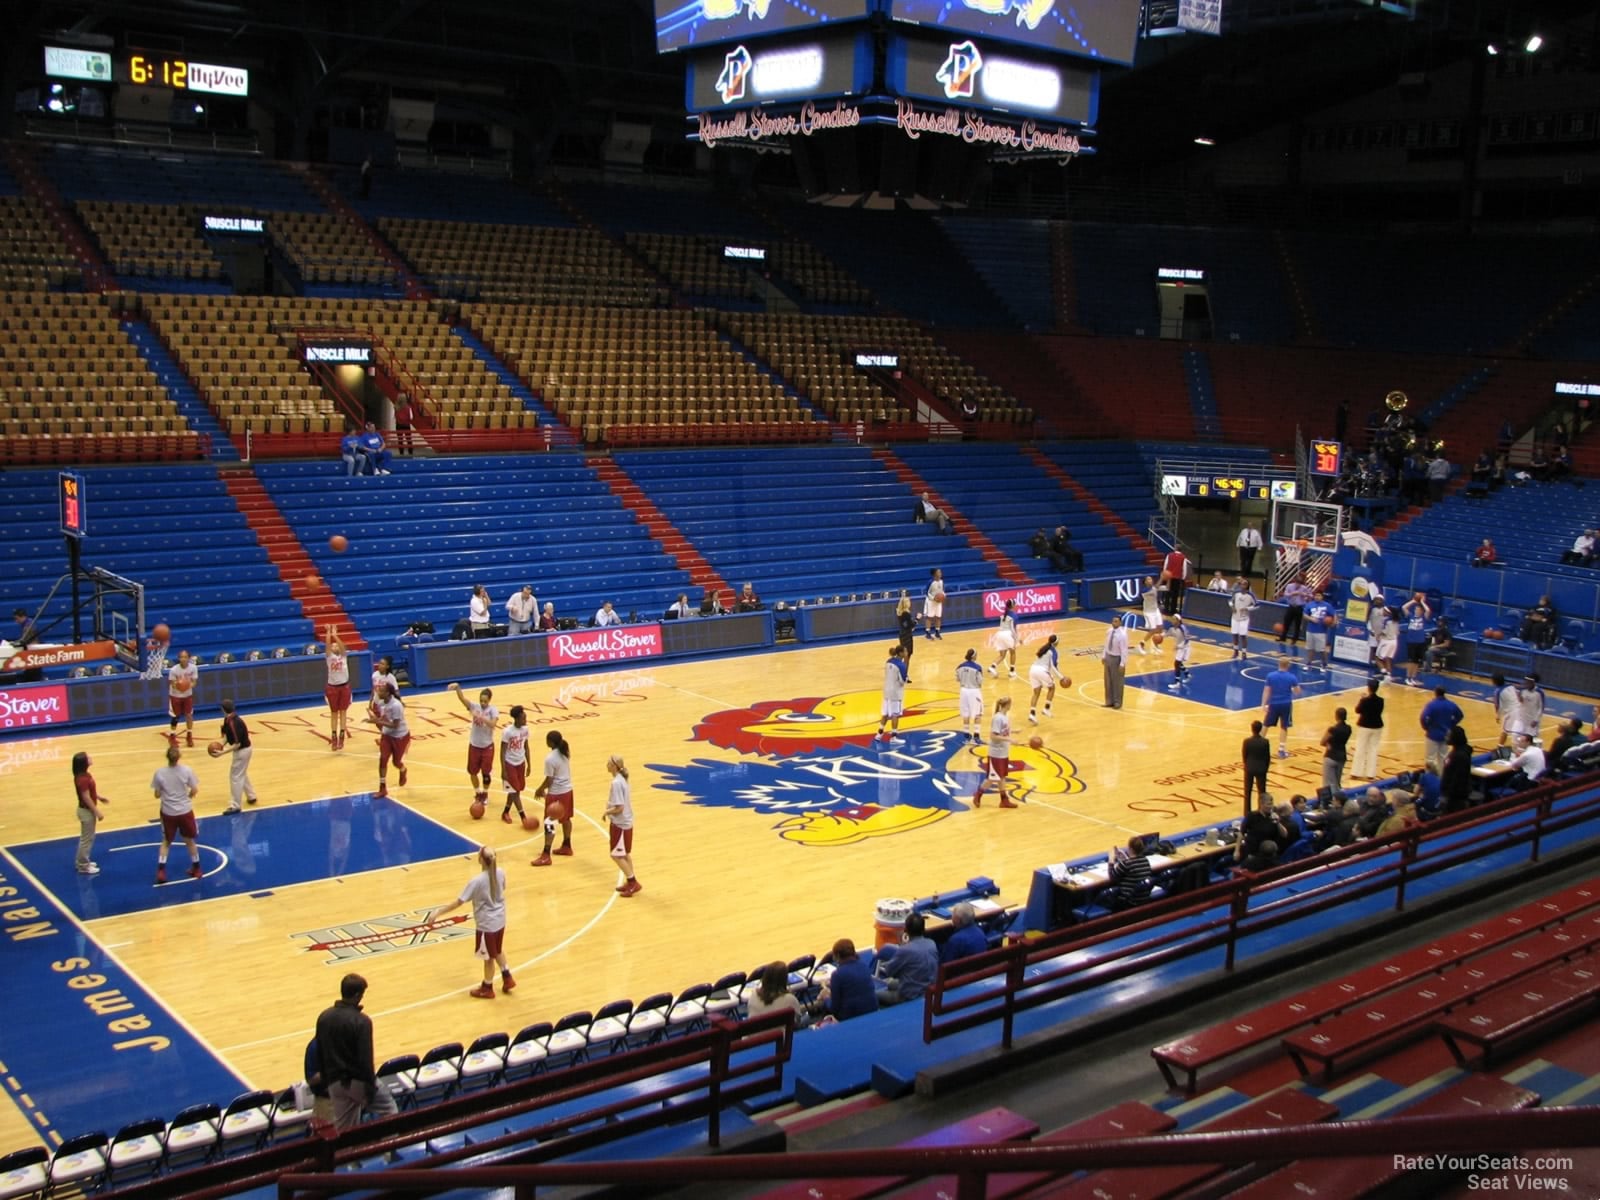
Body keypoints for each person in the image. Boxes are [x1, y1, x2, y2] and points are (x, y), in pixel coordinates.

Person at [314, 973, 399, 1132]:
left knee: (345, 1129)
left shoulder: (324, 1017)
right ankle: (391, 1146)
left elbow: (319, 1051)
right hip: (356, 1082)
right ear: (357, 995)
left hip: (334, 1082)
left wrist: (326, 1080)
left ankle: (350, 1149)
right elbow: (365, 1059)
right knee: (390, 1109)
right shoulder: (362, 1021)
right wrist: (370, 1088)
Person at [433, 847, 516, 999]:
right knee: (497, 949)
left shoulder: (476, 881)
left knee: (488, 958)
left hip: (487, 924)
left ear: (481, 860)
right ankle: (507, 976)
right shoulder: (500, 872)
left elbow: (459, 902)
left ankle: (487, 987)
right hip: (500, 920)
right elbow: (502, 888)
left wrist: (438, 912)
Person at [151, 742, 202, 884]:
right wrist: (188, 797)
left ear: (167, 757)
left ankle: (161, 871)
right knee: (189, 841)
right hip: (185, 810)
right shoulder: (187, 770)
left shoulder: (159, 773)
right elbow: (194, 790)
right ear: (179, 757)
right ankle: (197, 868)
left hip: (168, 812)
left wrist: (164, 792)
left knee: (166, 842)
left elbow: (156, 794)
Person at [450, 684, 498, 810]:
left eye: (485, 701)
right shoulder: (474, 706)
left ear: (489, 700)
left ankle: (485, 794)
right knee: (472, 772)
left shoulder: (493, 710)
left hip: (487, 746)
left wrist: (481, 717)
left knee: (486, 773)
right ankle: (478, 793)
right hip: (474, 745)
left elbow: (493, 724)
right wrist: (457, 688)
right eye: (481, 700)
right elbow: (462, 699)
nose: (482, 703)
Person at [531, 730, 574, 866]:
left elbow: (549, 780)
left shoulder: (550, 759)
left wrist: (540, 789)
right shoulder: (564, 751)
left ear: (550, 742)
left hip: (557, 793)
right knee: (566, 819)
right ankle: (567, 846)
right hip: (568, 791)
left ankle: (546, 855)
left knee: (549, 823)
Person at [876, 912, 938, 1005]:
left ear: (906, 930)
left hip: (909, 995)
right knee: (891, 984)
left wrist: (901, 946)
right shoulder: (932, 943)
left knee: (875, 994)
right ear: (924, 929)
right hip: (928, 988)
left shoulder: (905, 950)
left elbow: (889, 972)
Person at [813, 939, 877, 1022]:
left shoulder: (837, 974)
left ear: (837, 956)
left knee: (823, 1000)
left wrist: (826, 998)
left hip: (850, 1018)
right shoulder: (864, 966)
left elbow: (834, 1008)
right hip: (872, 1011)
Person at [605, 754, 640, 896]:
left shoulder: (616, 783)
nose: (607, 764)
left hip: (620, 824)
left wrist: (606, 812)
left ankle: (632, 882)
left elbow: (619, 807)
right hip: (626, 822)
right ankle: (630, 880)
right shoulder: (622, 779)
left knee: (616, 855)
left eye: (609, 763)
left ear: (614, 766)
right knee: (624, 854)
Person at [973, 697, 1016, 808]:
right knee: (992, 778)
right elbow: (993, 736)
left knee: (1002, 777)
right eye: (1010, 704)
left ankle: (1004, 800)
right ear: (1007, 705)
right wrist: (1009, 739)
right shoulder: (997, 718)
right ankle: (978, 794)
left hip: (1003, 752)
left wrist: (1014, 731)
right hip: (996, 753)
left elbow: (1003, 731)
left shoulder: (1005, 717)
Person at [370, 682, 409, 799]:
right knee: (383, 759)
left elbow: (395, 725)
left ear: (387, 693)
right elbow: (384, 718)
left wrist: (377, 721)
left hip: (400, 736)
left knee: (396, 762)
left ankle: (403, 769)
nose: (378, 692)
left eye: (381, 690)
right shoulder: (382, 703)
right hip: (387, 735)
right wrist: (375, 719)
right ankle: (382, 788)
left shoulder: (396, 705)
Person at [218, 698, 258, 813]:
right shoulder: (228, 719)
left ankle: (235, 805)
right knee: (241, 773)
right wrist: (220, 745)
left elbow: (237, 744)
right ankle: (251, 795)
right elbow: (226, 736)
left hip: (242, 750)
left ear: (223, 710)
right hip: (244, 749)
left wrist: (223, 752)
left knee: (235, 777)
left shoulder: (233, 723)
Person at [73, 751, 108, 875]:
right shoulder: (82, 779)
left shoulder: (85, 775)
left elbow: (89, 792)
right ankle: (83, 865)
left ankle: (83, 861)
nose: (90, 757)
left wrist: (99, 797)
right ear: (83, 762)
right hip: (86, 812)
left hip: (87, 811)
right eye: (88, 757)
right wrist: (97, 812)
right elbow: (86, 797)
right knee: (86, 840)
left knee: (88, 838)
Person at [1261, 657, 1302, 758]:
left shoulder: (1270, 676)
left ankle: (1258, 746)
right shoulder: (1292, 677)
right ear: (1288, 665)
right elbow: (1298, 692)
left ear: (1278, 664)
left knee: (1266, 724)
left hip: (1273, 704)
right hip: (1286, 704)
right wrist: (1291, 690)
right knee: (1284, 726)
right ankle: (1281, 750)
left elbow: (1266, 691)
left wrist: (1263, 704)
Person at [1418, 686, 1464, 775]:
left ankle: (1430, 778)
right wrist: (1451, 724)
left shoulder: (1431, 705)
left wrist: (1426, 727)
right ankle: (1443, 777)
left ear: (1435, 693)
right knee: (1444, 758)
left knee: (1430, 758)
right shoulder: (1451, 704)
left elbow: (1423, 718)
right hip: (1446, 735)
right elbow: (1460, 715)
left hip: (1432, 734)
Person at [500, 705, 530, 825]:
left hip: (521, 763)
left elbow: (526, 747)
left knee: (516, 790)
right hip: (510, 763)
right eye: (523, 718)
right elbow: (502, 751)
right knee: (515, 791)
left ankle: (505, 812)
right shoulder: (508, 732)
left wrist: (529, 764)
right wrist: (503, 769)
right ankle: (523, 817)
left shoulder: (525, 729)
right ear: (517, 719)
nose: (525, 720)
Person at [1104, 837, 1153, 910]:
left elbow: (1112, 877)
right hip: (1144, 899)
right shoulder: (1145, 860)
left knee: (1106, 898)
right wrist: (1125, 859)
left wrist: (1111, 861)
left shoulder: (1126, 864)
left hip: (1129, 902)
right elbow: (1134, 866)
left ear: (1131, 849)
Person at [324, 625, 352, 751]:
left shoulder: (344, 656)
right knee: (334, 713)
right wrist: (328, 633)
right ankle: (334, 737)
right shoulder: (329, 657)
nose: (335, 647)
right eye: (333, 646)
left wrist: (335, 636)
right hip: (332, 687)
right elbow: (327, 645)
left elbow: (342, 646)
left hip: (344, 686)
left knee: (343, 712)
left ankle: (342, 736)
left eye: (336, 646)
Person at [876, 644, 910, 745]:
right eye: (905, 651)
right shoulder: (901, 665)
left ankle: (879, 734)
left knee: (885, 713)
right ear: (901, 653)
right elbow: (902, 680)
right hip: (895, 693)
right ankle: (893, 737)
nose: (906, 653)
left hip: (886, 691)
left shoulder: (888, 661)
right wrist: (907, 679)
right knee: (895, 714)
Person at [1353, 679, 1385, 780]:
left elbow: (1357, 710)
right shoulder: (1381, 700)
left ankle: (1356, 772)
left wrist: (1361, 699)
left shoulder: (1364, 700)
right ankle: (1371, 774)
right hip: (1377, 726)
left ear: (1368, 688)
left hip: (1365, 726)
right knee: (1373, 749)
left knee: (1360, 748)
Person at [166, 648, 199, 747]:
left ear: (189, 658)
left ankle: (189, 735)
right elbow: (172, 684)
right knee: (176, 716)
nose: (183, 659)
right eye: (181, 657)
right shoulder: (174, 670)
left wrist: (187, 686)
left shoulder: (193, 668)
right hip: (175, 695)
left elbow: (194, 682)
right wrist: (180, 686)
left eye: (185, 657)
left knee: (189, 715)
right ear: (179, 658)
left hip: (187, 695)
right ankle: (172, 735)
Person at [1441, 726, 1473, 814]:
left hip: (1455, 798)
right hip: (1455, 795)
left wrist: (1447, 795)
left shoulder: (1459, 756)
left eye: (1448, 736)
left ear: (1455, 738)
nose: (1445, 737)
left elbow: (1457, 779)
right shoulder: (1460, 751)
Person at [956, 648, 984, 745]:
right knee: (978, 714)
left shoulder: (960, 666)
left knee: (966, 714)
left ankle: (966, 737)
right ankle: (976, 737)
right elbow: (980, 682)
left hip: (963, 691)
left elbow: (957, 678)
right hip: (974, 691)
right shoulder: (977, 668)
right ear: (974, 656)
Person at [1033, 633, 1064, 722]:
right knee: (1052, 688)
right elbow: (1053, 667)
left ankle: (1032, 713)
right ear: (1056, 643)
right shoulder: (1053, 652)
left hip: (1033, 669)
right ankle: (1046, 709)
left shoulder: (1043, 648)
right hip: (1043, 671)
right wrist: (1061, 677)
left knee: (1036, 693)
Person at [1242, 719, 1271, 808]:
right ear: (1261, 729)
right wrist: (1265, 769)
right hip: (1261, 768)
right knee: (1262, 792)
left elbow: (1244, 755)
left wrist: (1246, 766)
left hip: (1249, 768)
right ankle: (1261, 810)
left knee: (1247, 792)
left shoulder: (1247, 741)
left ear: (1252, 729)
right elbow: (1267, 757)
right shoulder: (1265, 741)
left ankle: (1247, 811)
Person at [1303, 588, 1335, 671]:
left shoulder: (1327, 605)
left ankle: (1324, 664)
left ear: (1322, 597)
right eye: (1316, 595)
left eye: (1319, 595)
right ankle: (1308, 663)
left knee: (1321, 650)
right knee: (1310, 648)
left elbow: (1334, 614)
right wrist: (1311, 618)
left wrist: (1333, 623)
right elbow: (1304, 615)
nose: (1317, 597)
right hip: (1310, 630)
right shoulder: (1309, 604)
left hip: (1321, 631)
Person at [1322, 707, 1351, 795]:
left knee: (1328, 784)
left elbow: (1322, 741)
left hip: (1331, 756)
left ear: (1336, 716)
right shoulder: (1348, 728)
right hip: (1342, 757)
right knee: (1337, 783)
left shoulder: (1333, 729)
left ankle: (1330, 800)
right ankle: (1339, 798)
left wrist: (1328, 744)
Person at [987, 599, 1018, 679]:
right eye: (1015, 604)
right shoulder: (1014, 616)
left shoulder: (1003, 615)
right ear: (1013, 606)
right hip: (1007, 634)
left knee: (1002, 655)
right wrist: (1016, 639)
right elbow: (1013, 629)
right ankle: (1012, 672)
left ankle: (992, 667)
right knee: (1013, 653)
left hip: (999, 634)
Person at [1158, 547, 1191, 615]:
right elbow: (1184, 569)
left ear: (1175, 549)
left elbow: (1165, 565)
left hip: (1169, 577)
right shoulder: (1183, 557)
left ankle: (1166, 608)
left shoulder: (1169, 555)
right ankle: (1173, 610)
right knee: (1175, 595)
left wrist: (1165, 574)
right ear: (1181, 550)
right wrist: (1183, 578)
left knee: (1167, 593)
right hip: (1177, 578)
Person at [1135, 576, 1164, 654]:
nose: (1150, 580)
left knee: (1160, 628)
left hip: (1156, 610)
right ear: (1145, 582)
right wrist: (1162, 578)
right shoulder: (1144, 590)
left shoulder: (1154, 588)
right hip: (1148, 612)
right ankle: (1141, 644)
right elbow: (1155, 588)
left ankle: (1155, 645)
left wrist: (1168, 580)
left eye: (1151, 579)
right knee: (1153, 629)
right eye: (1148, 579)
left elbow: (1166, 588)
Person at [1278, 577, 1311, 645]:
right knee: (1286, 622)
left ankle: (1294, 639)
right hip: (1291, 606)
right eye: (1297, 583)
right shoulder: (1289, 586)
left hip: (1299, 607)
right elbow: (1285, 594)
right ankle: (1283, 637)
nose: (1298, 585)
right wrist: (1292, 594)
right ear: (1295, 582)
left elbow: (1310, 595)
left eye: (1299, 584)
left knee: (1297, 624)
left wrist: (1304, 595)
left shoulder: (1304, 588)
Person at [1229, 578, 1256, 659]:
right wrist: (1232, 607)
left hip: (1244, 618)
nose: (1243, 585)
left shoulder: (1251, 595)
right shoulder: (1236, 593)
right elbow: (1230, 601)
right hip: (1235, 617)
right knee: (1234, 634)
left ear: (1247, 586)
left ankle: (1244, 652)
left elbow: (1257, 605)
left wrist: (1247, 608)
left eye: (1245, 584)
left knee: (1243, 635)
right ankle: (1236, 651)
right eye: (1242, 583)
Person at [1166, 614, 1192, 690]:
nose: (1172, 620)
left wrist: (1180, 646)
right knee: (1178, 663)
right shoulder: (1172, 628)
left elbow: (1187, 639)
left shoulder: (1182, 628)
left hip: (1185, 647)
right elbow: (1167, 634)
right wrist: (1160, 636)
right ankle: (1187, 674)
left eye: (1174, 619)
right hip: (1180, 647)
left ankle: (1177, 683)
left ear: (1178, 620)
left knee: (1176, 663)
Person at [923, 569, 945, 640]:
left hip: (938, 602)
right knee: (929, 617)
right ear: (934, 574)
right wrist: (933, 598)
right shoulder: (931, 582)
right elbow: (927, 592)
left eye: (940, 572)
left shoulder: (941, 581)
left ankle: (937, 632)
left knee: (938, 617)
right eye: (939, 572)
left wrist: (944, 596)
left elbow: (942, 591)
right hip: (931, 601)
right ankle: (927, 633)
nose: (940, 573)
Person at [895, 592, 917, 663]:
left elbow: (906, 624)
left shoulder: (900, 612)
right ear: (906, 603)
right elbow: (908, 625)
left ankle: (898, 666)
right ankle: (904, 670)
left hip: (902, 634)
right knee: (907, 654)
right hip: (906, 635)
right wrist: (917, 619)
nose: (910, 602)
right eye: (908, 601)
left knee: (903, 653)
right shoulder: (905, 613)